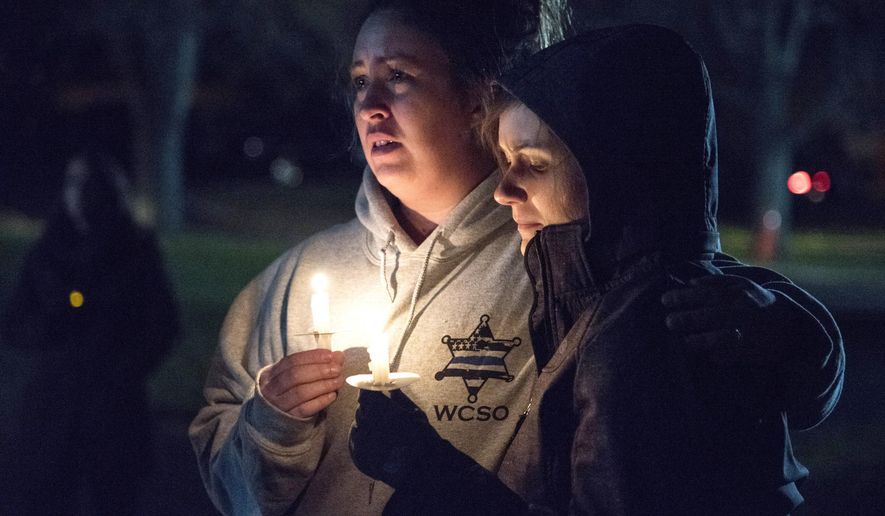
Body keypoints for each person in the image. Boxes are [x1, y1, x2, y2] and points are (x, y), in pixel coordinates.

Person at [190, 2, 842, 514]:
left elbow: (707, 334)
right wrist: (269, 427)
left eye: (398, 76)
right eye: (358, 80)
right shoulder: (292, 284)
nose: (370, 105)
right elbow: (227, 479)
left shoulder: (565, 264)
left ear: (477, 95)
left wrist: (801, 343)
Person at [0, 149, 180, 515]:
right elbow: (17, 322)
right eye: (76, 185)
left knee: (115, 496)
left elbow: (161, 323)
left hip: (113, 402)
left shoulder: (134, 253)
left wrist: (123, 372)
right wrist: (51, 321)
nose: (84, 196)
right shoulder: (49, 253)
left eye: (95, 187)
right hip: (55, 401)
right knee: (47, 495)